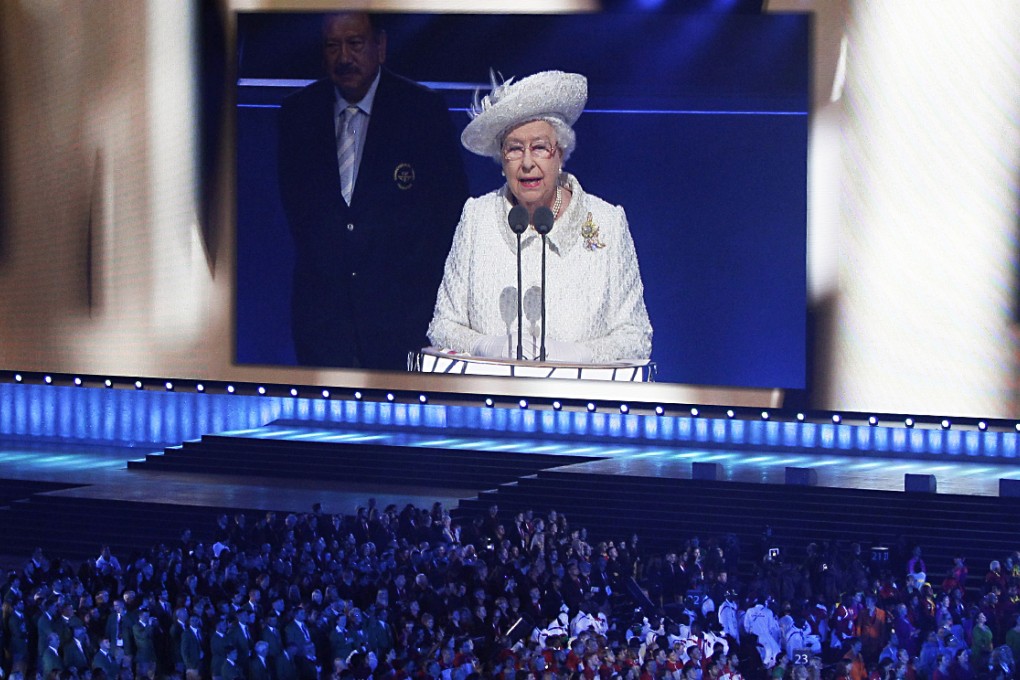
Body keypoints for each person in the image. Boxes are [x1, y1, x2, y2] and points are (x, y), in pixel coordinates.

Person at [277, 12, 469, 370]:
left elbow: (448, 212)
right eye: (333, 46)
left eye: (355, 44)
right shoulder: (297, 113)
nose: (344, 57)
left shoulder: (422, 110)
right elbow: (297, 211)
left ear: (379, 46)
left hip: (402, 318)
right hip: (322, 321)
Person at [428, 70, 653, 363]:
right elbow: (442, 326)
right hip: (490, 401)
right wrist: (486, 346)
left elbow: (636, 337)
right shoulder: (476, 218)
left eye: (539, 148)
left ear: (560, 154)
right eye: (514, 149)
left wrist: (578, 355)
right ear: (501, 160)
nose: (527, 163)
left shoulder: (607, 221)